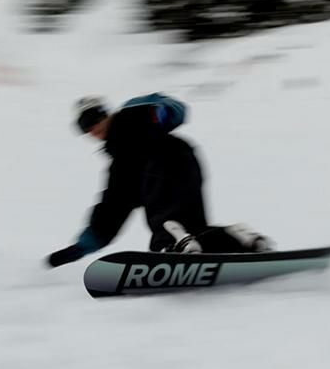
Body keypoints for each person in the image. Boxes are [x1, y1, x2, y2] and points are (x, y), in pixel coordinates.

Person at [46, 93, 271, 268]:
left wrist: (160, 110)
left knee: (165, 228)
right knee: (193, 230)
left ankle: (170, 247)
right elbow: (112, 208)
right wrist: (82, 247)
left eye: (94, 119)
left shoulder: (130, 119)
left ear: (106, 114)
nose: (92, 128)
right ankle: (237, 237)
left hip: (162, 163)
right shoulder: (120, 163)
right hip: (187, 161)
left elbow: (169, 109)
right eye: (85, 126)